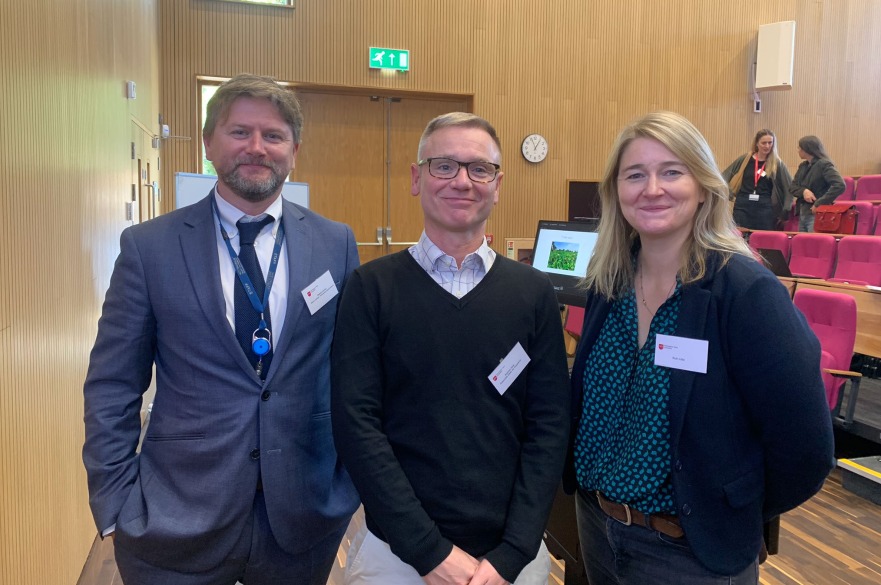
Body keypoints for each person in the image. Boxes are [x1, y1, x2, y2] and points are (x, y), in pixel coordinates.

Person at [82, 74, 360, 585]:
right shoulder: (150, 247)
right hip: (173, 520)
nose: (257, 147)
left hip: (301, 522)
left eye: (273, 136)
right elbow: (113, 384)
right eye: (239, 132)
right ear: (209, 142)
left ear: (294, 150)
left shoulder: (335, 243)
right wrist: (115, 503)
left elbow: (352, 373)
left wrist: (345, 488)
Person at [564, 111, 834, 584]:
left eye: (672, 171)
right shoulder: (609, 283)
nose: (652, 189)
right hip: (597, 528)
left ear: (704, 185)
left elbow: (806, 447)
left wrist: (726, 506)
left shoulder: (746, 292)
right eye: (635, 175)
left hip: (689, 553)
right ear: (615, 191)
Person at [331, 112, 570, 585]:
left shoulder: (533, 293)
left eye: (479, 169)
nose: (462, 181)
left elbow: (549, 428)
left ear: (497, 185)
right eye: (444, 166)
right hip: (396, 556)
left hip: (511, 561)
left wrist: (514, 552)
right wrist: (429, 552)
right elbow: (357, 426)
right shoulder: (370, 288)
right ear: (417, 178)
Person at [722, 129, 792, 230]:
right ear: (757, 143)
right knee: (740, 238)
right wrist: (728, 193)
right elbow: (724, 176)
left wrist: (786, 209)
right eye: (764, 143)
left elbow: (789, 187)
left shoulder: (777, 163)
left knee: (762, 239)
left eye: (770, 143)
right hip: (743, 205)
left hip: (765, 206)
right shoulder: (745, 159)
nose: (767, 146)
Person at [789, 135, 845, 232]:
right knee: (802, 245)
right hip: (803, 212)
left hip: (818, 214)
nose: (798, 150)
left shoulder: (824, 164)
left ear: (807, 149)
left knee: (814, 244)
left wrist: (819, 203)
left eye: (799, 148)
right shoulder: (803, 166)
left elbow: (840, 185)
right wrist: (803, 191)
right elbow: (792, 187)